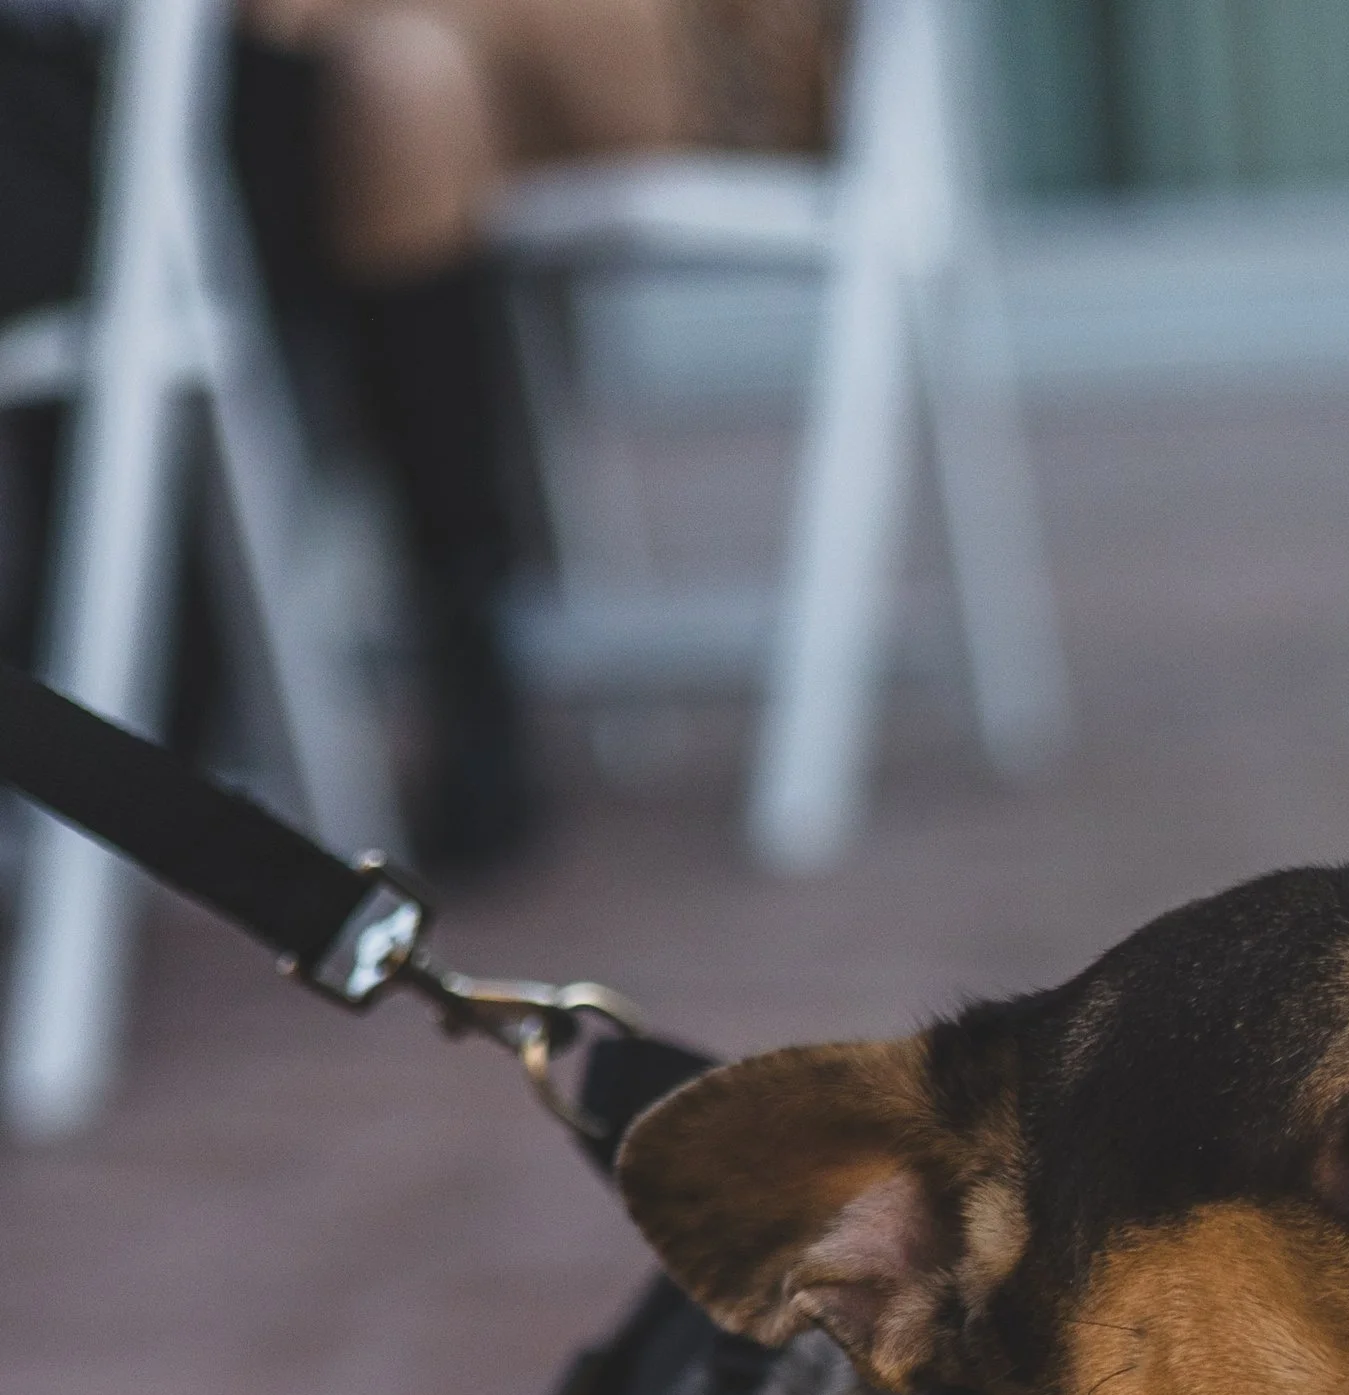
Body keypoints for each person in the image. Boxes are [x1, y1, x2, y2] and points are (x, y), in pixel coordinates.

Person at [0, 0, 832, 874]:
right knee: (387, 91)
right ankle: (447, 631)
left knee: (328, 78)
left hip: (715, 50)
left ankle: (363, 625)